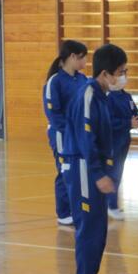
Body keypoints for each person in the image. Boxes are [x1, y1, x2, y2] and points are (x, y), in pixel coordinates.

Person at [62, 43, 128, 274]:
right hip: (82, 168)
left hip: (93, 168)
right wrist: (99, 173)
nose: (123, 76)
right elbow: (86, 138)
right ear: (105, 74)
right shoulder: (88, 95)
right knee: (89, 227)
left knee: (100, 227)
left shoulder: (102, 96)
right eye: (120, 72)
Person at [42, 40, 89, 226]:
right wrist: (71, 131)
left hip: (79, 135)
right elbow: (53, 114)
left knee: (79, 172)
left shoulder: (83, 79)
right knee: (65, 171)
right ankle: (63, 212)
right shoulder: (55, 81)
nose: (85, 61)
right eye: (83, 57)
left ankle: (78, 208)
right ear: (72, 57)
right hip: (62, 135)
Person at [106, 86, 138, 220]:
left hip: (124, 139)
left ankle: (111, 204)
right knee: (112, 172)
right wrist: (127, 122)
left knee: (118, 172)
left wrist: (136, 121)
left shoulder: (127, 96)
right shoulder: (109, 96)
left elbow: (134, 112)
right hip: (112, 141)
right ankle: (111, 205)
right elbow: (108, 120)